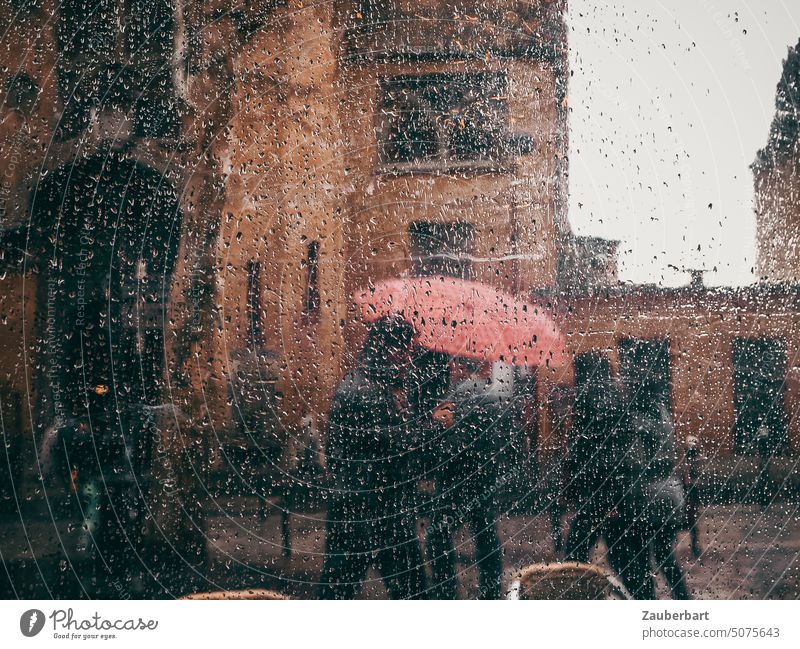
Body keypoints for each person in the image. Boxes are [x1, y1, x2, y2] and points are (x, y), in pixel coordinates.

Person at [319, 316, 428, 599]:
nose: (407, 359)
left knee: (340, 587)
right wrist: (434, 424)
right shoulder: (365, 391)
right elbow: (394, 443)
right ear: (382, 346)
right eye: (402, 351)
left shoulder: (371, 385)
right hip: (370, 508)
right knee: (409, 589)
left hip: (366, 506)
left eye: (409, 352)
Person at [425, 358, 505, 599]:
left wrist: (438, 427)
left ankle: (446, 593)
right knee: (486, 537)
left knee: (438, 537)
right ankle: (491, 593)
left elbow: (452, 445)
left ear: (460, 366)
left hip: (455, 480)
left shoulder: (456, 396)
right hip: (485, 478)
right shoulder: (495, 396)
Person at [618, 364, 691, 600]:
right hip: (670, 492)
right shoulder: (662, 411)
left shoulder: (634, 419)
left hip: (647, 494)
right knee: (663, 553)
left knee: (640, 556)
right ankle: (682, 598)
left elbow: (634, 460)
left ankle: (648, 602)